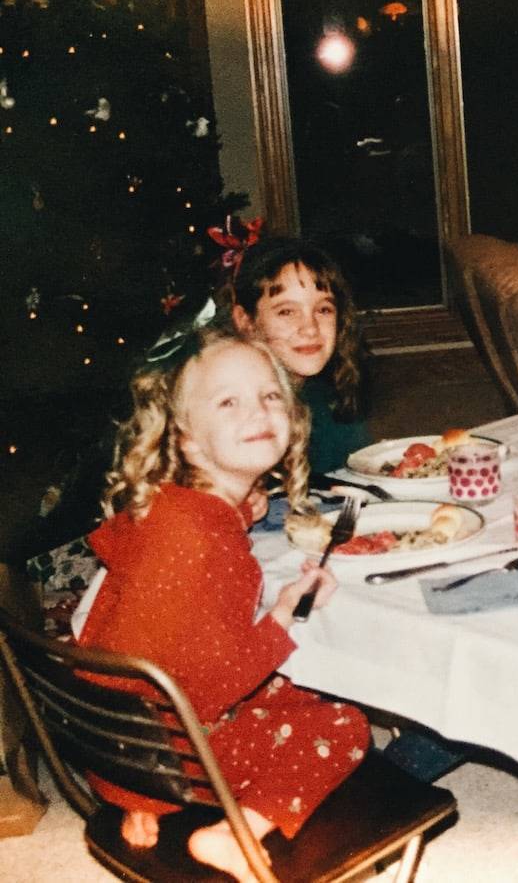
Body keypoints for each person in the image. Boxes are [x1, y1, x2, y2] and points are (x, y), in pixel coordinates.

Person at [77, 323, 368, 883]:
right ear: (187, 439)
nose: (257, 412)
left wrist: (237, 514)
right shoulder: (212, 547)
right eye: (228, 402)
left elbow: (122, 565)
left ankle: (142, 802)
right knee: (341, 723)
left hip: (112, 747)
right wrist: (282, 613)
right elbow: (217, 686)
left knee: (286, 691)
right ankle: (234, 834)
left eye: (270, 396)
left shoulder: (165, 506)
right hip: (173, 754)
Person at [229, 238, 370, 476]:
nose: (310, 328)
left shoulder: (327, 404)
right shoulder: (233, 418)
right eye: (287, 312)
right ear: (246, 322)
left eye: (323, 309)